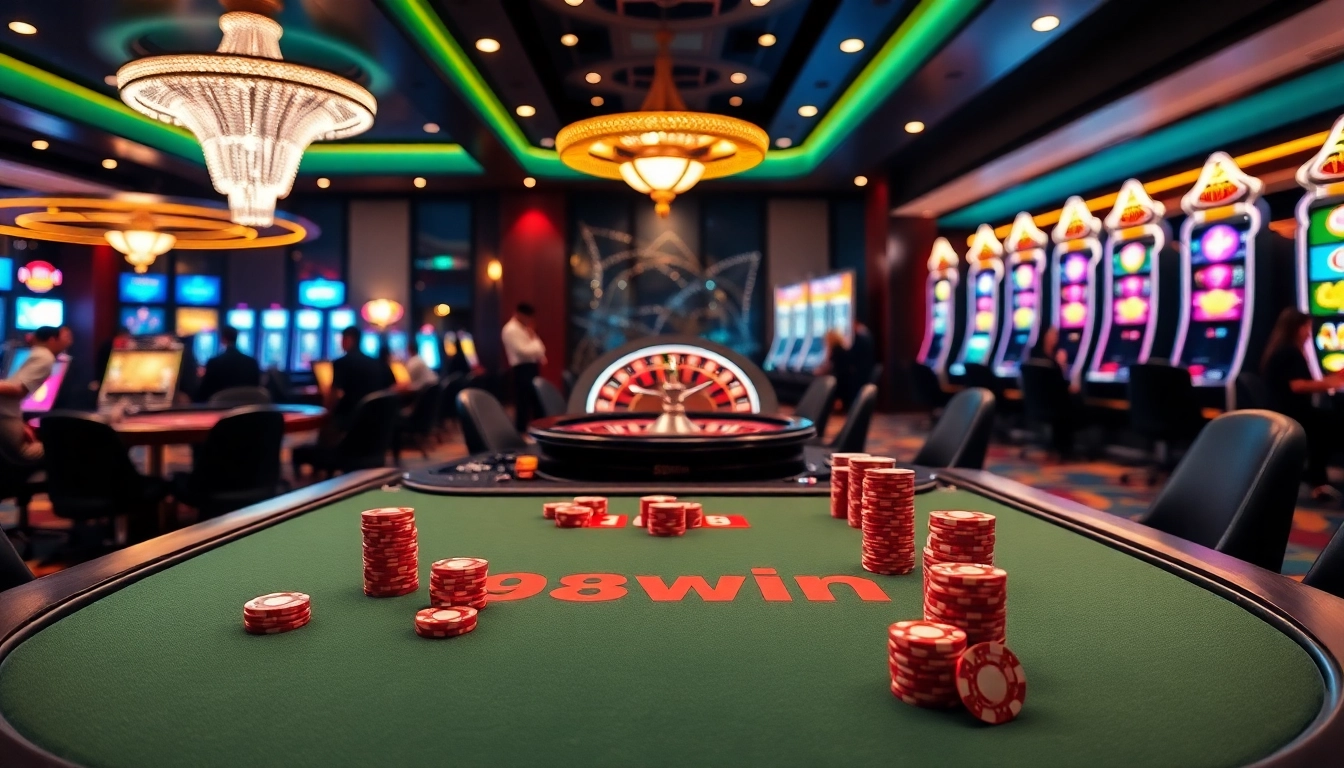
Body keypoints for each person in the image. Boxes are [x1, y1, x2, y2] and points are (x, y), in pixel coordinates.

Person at [1261, 308, 1344, 501]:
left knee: (1326, 421)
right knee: (1330, 424)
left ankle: (1316, 480)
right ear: (1297, 328)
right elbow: (1297, 386)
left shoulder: (1282, 349)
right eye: (1307, 327)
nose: (1309, 332)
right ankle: (1318, 483)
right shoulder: (1288, 351)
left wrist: (1332, 379)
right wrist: (1330, 383)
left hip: (1286, 410)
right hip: (1291, 413)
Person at [0, 326, 73, 463]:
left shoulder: (35, 354)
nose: (68, 342)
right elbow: (19, 389)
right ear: (52, 339)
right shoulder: (45, 357)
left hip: (8, 415)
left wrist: (21, 424)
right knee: (64, 449)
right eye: (64, 338)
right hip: (6, 415)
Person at [328, 326, 395, 432]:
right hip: (377, 419)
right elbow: (392, 389)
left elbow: (332, 396)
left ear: (349, 339)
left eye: (342, 339)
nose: (341, 343)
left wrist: (326, 414)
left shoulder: (341, 363)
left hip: (351, 418)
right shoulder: (378, 363)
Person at [501, 303, 546, 431]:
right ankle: (520, 432)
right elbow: (523, 351)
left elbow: (541, 349)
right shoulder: (510, 329)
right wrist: (535, 346)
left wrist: (535, 346)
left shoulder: (525, 328)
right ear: (519, 314)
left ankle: (539, 429)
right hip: (521, 368)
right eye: (528, 317)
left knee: (536, 400)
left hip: (531, 366)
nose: (529, 320)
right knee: (523, 402)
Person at [196, 326, 261, 403]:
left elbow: (203, 394)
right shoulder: (252, 362)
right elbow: (256, 390)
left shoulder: (214, 362)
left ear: (223, 339)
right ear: (236, 338)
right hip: (247, 410)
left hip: (219, 410)